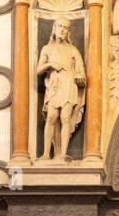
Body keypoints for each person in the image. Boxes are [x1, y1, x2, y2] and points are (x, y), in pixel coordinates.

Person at [36, 18, 86, 161]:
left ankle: (63, 154)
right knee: (51, 117)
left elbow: (81, 71)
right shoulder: (47, 48)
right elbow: (38, 70)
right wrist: (50, 64)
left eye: (65, 28)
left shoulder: (73, 50)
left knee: (65, 118)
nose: (62, 30)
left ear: (68, 32)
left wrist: (80, 77)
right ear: (55, 28)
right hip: (54, 85)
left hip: (69, 85)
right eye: (60, 27)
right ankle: (46, 154)